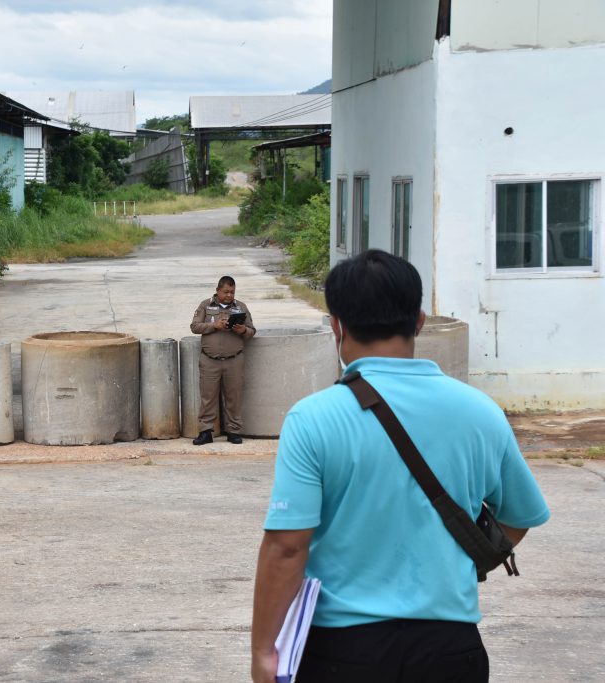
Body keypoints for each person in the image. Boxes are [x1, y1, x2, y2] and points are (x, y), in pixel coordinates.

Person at [250, 250, 550, 682]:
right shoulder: (480, 411)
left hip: (343, 650)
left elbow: (287, 546)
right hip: (451, 648)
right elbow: (519, 516)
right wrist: (456, 564)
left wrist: (264, 651)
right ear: (420, 321)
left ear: (336, 325)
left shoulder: (312, 418)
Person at [189, 275, 255, 445]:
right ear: (217, 290)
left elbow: (252, 331)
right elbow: (194, 326)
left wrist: (242, 330)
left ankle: (233, 431)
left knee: (234, 397)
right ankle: (205, 432)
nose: (229, 295)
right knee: (208, 398)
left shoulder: (241, 307)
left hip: (234, 361)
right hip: (210, 360)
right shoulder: (206, 305)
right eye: (225, 292)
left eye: (232, 292)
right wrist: (214, 326)